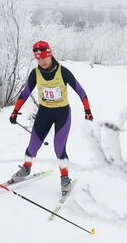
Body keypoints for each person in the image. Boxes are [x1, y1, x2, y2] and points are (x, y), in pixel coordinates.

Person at [7, 39, 92, 195]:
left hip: (62, 114)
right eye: (38, 58)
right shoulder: (36, 73)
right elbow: (25, 93)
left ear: (50, 55)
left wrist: (87, 110)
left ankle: (65, 178)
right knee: (33, 145)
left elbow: (80, 91)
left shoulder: (63, 71)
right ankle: (26, 169)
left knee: (58, 147)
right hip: (44, 113)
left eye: (44, 57)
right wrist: (15, 111)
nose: (41, 61)